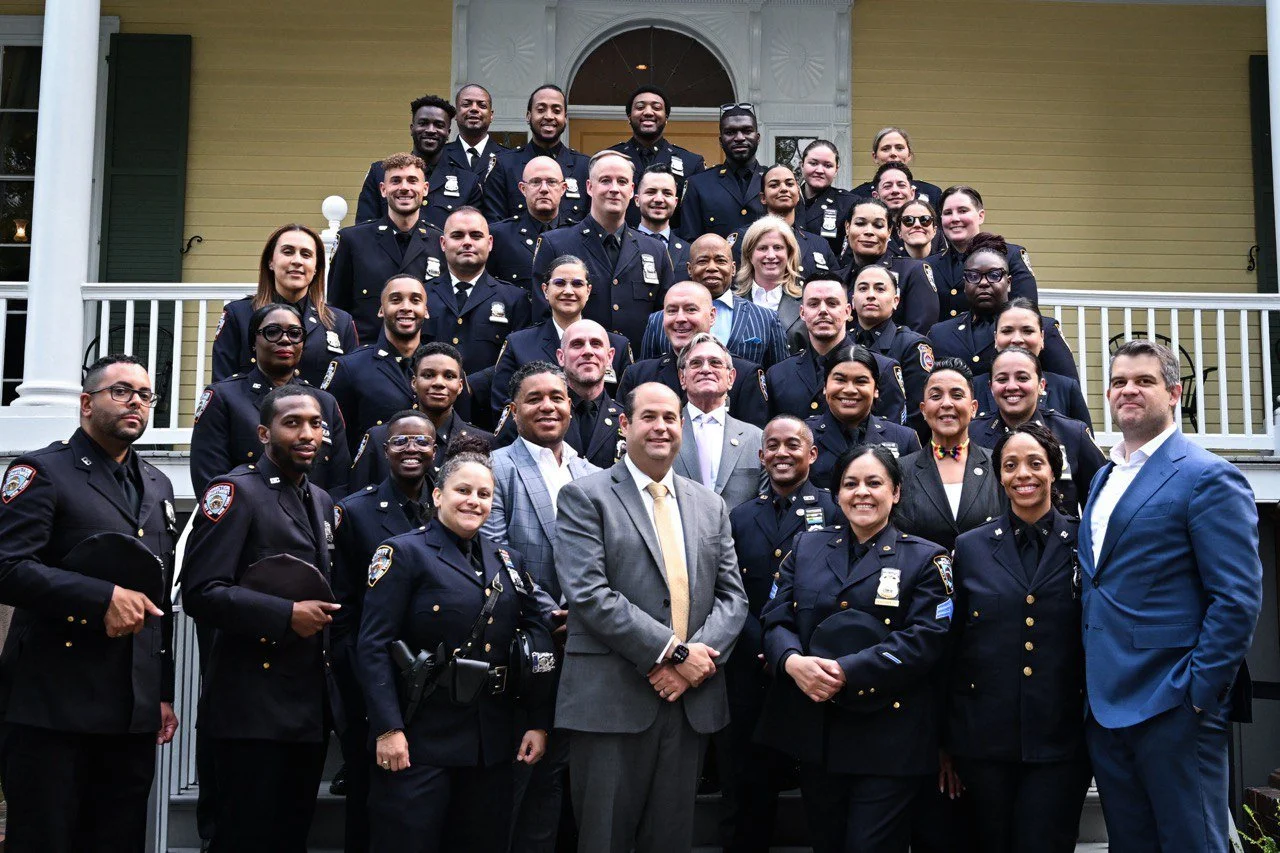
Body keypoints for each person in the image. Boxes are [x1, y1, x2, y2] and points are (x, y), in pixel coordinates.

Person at [1080, 339, 1262, 853]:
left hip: (1175, 704)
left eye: (1144, 381)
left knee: (1193, 844)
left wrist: (1198, 693)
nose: (1128, 390)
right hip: (1105, 707)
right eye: (1119, 382)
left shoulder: (1208, 476)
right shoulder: (1103, 477)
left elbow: (1237, 599)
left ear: (1174, 392)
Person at [554, 382, 748, 852]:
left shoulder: (710, 504)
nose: (661, 427)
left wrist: (695, 663)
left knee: (671, 841)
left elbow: (733, 598)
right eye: (649, 417)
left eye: (670, 418)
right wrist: (673, 653)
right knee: (605, 839)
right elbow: (589, 593)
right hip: (611, 701)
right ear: (625, 425)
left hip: (687, 702)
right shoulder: (586, 496)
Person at [0, 354, 178, 852]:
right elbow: (7, 568)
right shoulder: (42, 471)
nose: (136, 402)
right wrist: (101, 598)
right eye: (121, 391)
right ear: (85, 403)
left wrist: (160, 692)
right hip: (54, 703)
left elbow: (156, 597)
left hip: (130, 711)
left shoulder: (158, 485)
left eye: (145, 394)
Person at [358, 438, 556, 853]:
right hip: (419, 739)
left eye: (484, 494)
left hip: (490, 741)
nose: (474, 501)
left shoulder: (508, 560)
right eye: (463, 491)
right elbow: (373, 647)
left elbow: (538, 636)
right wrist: (388, 729)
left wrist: (537, 720)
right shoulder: (403, 553)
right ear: (438, 494)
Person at [759, 443, 952, 853]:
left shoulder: (925, 558)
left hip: (889, 738)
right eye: (851, 484)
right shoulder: (807, 548)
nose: (861, 492)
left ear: (896, 492)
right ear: (837, 494)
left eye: (874, 483)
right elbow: (775, 617)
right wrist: (791, 662)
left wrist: (845, 672)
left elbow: (924, 639)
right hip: (819, 734)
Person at [182, 385, 339, 853]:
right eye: (292, 423)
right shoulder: (235, 492)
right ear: (263, 432)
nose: (307, 433)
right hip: (249, 709)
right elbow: (201, 592)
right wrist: (285, 614)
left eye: (315, 423)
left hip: (307, 709)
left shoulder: (323, 501)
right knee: (242, 840)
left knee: (290, 840)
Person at [947, 422, 1092, 853]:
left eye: (1034, 463)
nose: (1022, 474)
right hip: (983, 738)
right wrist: (945, 740)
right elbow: (954, 645)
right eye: (1010, 465)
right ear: (999, 476)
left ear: (1053, 470)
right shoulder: (970, 547)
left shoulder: (1085, 541)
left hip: (1060, 736)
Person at [483, 363, 599, 853]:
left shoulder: (593, 471)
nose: (548, 406)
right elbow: (495, 548)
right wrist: (552, 612)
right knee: (517, 779)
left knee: (557, 779)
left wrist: (586, 612)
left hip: (586, 643)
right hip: (525, 645)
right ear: (513, 410)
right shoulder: (497, 467)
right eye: (534, 399)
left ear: (571, 406)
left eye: (557, 397)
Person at [721, 415, 839, 852]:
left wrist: (789, 650)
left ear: (812, 454)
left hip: (810, 667)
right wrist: (763, 645)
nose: (782, 453)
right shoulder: (739, 516)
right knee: (747, 786)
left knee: (822, 791)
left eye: (793, 445)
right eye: (772, 445)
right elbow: (729, 589)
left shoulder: (834, 511)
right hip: (751, 668)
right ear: (760, 455)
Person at [331, 410, 437, 853]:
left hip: (437, 680)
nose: (411, 449)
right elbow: (344, 608)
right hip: (376, 679)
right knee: (371, 803)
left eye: (421, 441)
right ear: (383, 449)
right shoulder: (356, 512)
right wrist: (360, 682)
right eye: (400, 442)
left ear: (437, 449)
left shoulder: (453, 504)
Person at [192, 303, 349, 496]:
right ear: (253, 342)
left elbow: (339, 483)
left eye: (294, 333)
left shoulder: (325, 402)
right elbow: (210, 480)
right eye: (272, 332)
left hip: (312, 522)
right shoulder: (224, 398)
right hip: (248, 521)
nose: (285, 340)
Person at [530, 150, 675, 346]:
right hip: (575, 367)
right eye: (605, 180)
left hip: (636, 370)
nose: (614, 189)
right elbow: (543, 320)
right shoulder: (555, 244)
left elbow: (663, 322)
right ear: (589, 187)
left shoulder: (655, 251)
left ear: (632, 190)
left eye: (622, 182)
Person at [213, 224, 359, 386]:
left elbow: (350, 389)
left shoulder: (340, 322)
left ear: (316, 267)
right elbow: (222, 386)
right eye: (288, 252)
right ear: (270, 262)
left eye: (306, 254)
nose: (297, 261)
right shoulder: (239, 315)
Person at [491, 255, 633, 418]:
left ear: (588, 291)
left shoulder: (617, 345)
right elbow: (504, 406)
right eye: (559, 283)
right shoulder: (518, 344)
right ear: (545, 290)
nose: (568, 291)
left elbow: (628, 408)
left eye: (577, 284)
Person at [969, 347, 1104, 515]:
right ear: (991, 387)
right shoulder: (972, 434)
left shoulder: (1073, 434)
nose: (1011, 386)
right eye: (1002, 379)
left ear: (1041, 385)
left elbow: (1101, 503)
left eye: (1022, 378)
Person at [617, 282, 769, 427]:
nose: (680, 318)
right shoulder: (639, 376)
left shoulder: (744, 375)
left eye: (690, 309)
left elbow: (753, 442)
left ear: (712, 316)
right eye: (672, 310)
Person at [349, 342, 494, 492]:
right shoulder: (379, 437)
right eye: (428, 375)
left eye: (449, 376)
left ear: (460, 386)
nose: (439, 383)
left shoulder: (482, 442)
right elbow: (358, 501)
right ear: (414, 382)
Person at [927, 232, 1074, 376]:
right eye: (973, 276)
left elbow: (1066, 392)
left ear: (1009, 282)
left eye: (994, 275)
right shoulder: (940, 334)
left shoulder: (1042, 329)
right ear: (965, 284)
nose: (983, 283)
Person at [333, 152, 444, 342]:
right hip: (366, 354)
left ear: (425, 189)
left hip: (424, 359)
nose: (404, 188)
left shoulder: (440, 243)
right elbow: (336, 310)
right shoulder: (353, 241)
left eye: (412, 181)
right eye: (396, 181)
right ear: (383, 190)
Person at [896, 359, 1005, 552]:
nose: (946, 404)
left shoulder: (998, 467)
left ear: (973, 408)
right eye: (936, 396)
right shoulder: (900, 470)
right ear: (923, 410)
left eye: (957, 395)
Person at [766, 277, 907, 424]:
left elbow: (891, 435)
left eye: (832, 304)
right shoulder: (777, 374)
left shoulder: (882, 368)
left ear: (847, 311)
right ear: (802, 313)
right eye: (814, 304)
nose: (822, 311)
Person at [638, 233, 787, 370]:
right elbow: (647, 374)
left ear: (733, 268)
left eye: (720, 261)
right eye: (702, 261)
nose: (711, 267)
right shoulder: (659, 321)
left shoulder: (765, 319)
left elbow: (780, 379)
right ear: (690, 269)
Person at [322, 274, 429, 453]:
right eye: (395, 300)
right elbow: (332, 440)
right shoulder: (350, 367)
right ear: (381, 310)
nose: (406, 307)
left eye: (415, 300)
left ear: (426, 310)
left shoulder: (442, 367)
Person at [425, 207, 532, 381]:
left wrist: (473, 386)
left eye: (476, 236)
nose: (467, 242)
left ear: (489, 243)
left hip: (487, 403)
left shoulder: (515, 300)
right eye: (457, 236)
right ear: (443, 244)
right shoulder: (422, 296)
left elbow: (517, 363)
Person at [355, 95, 483, 229]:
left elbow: (470, 233)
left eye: (439, 125)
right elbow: (364, 229)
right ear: (412, 128)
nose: (431, 130)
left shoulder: (467, 182)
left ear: (448, 133)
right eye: (423, 123)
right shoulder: (380, 173)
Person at [805, 345, 920, 489]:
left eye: (861, 381)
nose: (849, 390)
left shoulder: (903, 439)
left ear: (876, 390)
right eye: (840, 380)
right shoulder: (803, 436)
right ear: (825, 387)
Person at [672, 334, 764, 509]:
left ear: (731, 378)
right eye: (696, 363)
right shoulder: (664, 434)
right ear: (682, 378)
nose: (706, 369)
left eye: (715, 363)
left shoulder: (756, 438)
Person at [971, 297, 1089, 425]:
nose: (1017, 339)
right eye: (1007, 331)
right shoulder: (973, 388)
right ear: (995, 338)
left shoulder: (1066, 389)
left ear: (1042, 337)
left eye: (1027, 331)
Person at [483, 84, 590, 224]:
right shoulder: (504, 166)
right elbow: (495, 226)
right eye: (541, 110)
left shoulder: (584, 168)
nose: (549, 116)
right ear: (528, 116)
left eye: (556, 111)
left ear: (565, 118)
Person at [928, 186, 1037, 320]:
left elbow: (1026, 312)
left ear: (980, 216)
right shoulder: (930, 265)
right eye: (948, 213)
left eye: (963, 211)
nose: (954, 218)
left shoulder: (1010, 255)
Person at [610, 84, 705, 230]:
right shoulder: (610, 159)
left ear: (666, 118)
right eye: (640, 107)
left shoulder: (691, 163)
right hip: (620, 247)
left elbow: (693, 220)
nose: (648, 112)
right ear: (629, 117)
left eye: (656, 107)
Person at [838, 197, 939, 334]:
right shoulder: (837, 279)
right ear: (848, 227)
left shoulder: (912, 271)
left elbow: (920, 331)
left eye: (878, 225)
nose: (869, 231)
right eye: (860, 223)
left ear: (889, 232)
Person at [851, 264, 935, 420]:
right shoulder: (844, 342)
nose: (870, 295)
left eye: (880, 289)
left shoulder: (912, 345)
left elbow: (919, 411)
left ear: (896, 301)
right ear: (853, 301)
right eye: (863, 289)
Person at [730, 164, 838, 278]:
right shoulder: (744, 238)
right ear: (763, 198)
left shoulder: (819, 244)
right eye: (774, 185)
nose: (784, 189)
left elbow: (836, 287)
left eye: (789, 184)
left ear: (797, 192)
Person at [488, 156, 574, 292]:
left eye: (551, 182)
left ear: (563, 188)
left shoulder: (578, 235)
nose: (544, 189)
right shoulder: (500, 236)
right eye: (535, 182)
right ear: (523, 189)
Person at [678, 105, 765, 240]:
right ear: (720, 141)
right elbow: (690, 241)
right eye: (730, 132)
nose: (740, 138)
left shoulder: (775, 182)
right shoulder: (698, 185)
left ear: (758, 137)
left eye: (747, 131)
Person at [731, 214, 806, 345]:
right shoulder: (731, 302)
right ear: (749, 254)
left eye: (778, 247)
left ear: (789, 253)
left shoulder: (806, 301)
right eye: (762, 248)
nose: (771, 255)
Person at [850, 126, 943, 206]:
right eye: (885, 149)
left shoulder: (931, 193)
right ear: (875, 157)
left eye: (899, 148)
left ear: (909, 155)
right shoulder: (857, 196)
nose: (893, 153)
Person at [797, 139, 856, 256]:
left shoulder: (848, 203)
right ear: (802, 165)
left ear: (836, 170)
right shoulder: (786, 199)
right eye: (813, 163)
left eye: (827, 165)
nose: (819, 170)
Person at [634, 163, 692, 277]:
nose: (659, 199)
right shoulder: (621, 246)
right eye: (651, 192)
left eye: (667, 193)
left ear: (675, 202)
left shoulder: (689, 252)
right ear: (637, 200)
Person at [442, 83, 507, 183]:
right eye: (466, 104)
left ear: (491, 115)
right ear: (455, 113)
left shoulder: (507, 157)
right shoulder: (440, 156)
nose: (474, 109)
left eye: (482, 105)